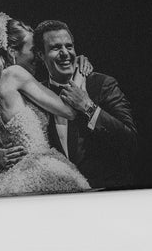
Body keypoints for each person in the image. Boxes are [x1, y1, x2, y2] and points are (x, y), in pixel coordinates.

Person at [0, 13, 91, 197]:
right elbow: (69, 111)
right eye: (33, 49)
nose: (37, 55)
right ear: (12, 51)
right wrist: (80, 69)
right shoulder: (15, 73)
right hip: (38, 167)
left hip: (16, 174)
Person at [33, 20, 137, 189]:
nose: (65, 53)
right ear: (40, 55)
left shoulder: (103, 84)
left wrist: (88, 106)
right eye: (56, 47)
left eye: (69, 46)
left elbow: (130, 141)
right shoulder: (37, 93)